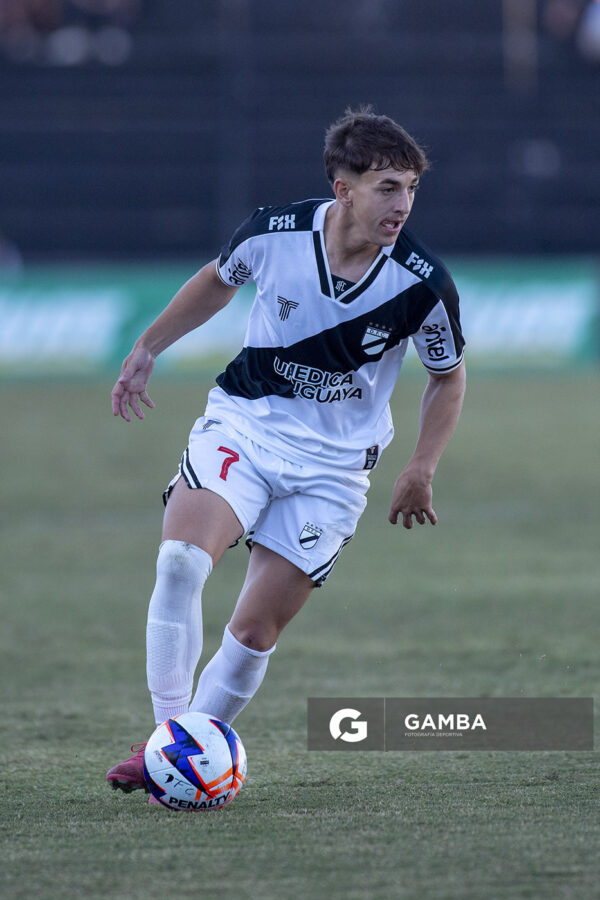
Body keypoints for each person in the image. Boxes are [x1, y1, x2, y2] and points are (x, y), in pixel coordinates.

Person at [106, 107, 466, 799]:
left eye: (412, 188)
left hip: (333, 470)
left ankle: (178, 755)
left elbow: (447, 376)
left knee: (254, 631)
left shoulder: (422, 282)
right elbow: (218, 277)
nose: (404, 204)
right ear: (344, 188)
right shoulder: (275, 234)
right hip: (247, 426)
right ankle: (168, 743)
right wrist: (147, 347)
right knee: (181, 562)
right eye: (388, 186)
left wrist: (421, 465)